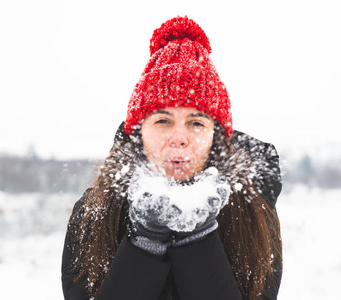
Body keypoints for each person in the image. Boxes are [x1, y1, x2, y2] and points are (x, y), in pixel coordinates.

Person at [61, 16, 283, 300]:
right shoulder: (93, 214)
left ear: (216, 136)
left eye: (196, 123)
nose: (179, 137)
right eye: (163, 120)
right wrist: (144, 241)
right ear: (140, 131)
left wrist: (197, 236)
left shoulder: (253, 213)